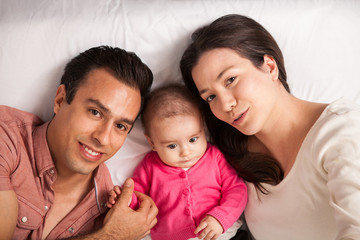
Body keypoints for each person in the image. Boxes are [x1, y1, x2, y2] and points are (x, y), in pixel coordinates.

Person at [180, 14, 360, 240]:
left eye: (230, 79)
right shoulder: (232, 159)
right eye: (211, 97)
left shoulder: (342, 130)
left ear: (270, 66)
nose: (225, 104)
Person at [0, 45, 158, 239]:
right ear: (60, 100)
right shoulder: (6, 137)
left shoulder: (111, 211)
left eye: (120, 126)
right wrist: (111, 236)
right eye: (95, 112)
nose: (103, 138)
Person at [107, 83, 247, 240]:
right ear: (152, 142)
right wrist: (125, 200)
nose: (186, 152)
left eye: (193, 139)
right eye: (172, 145)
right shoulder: (150, 166)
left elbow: (236, 190)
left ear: (202, 128)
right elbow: (138, 197)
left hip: (220, 232)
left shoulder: (214, 156)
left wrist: (221, 218)